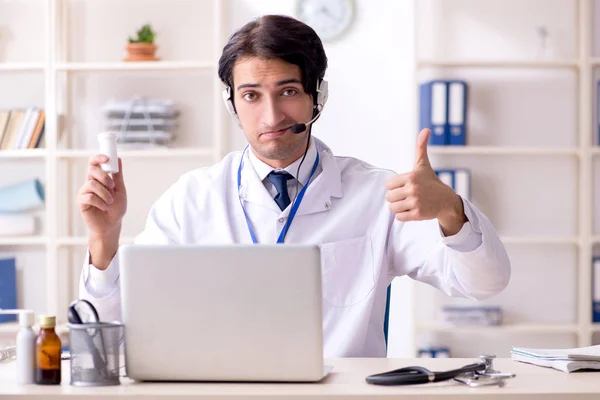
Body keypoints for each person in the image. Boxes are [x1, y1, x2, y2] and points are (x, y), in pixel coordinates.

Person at [77, 15, 510, 358]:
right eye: (251, 96)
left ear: (316, 96)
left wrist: (452, 210)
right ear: (232, 102)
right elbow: (111, 329)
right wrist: (104, 237)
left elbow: (484, 284)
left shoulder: (378, 194)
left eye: (287, 91)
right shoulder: (192, 199)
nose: (270, 117)